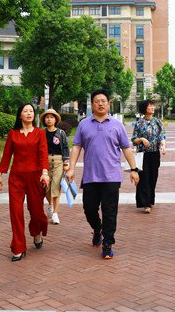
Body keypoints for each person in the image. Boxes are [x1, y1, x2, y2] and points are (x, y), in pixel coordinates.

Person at [66, 89, 140, 260]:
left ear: (108, 104)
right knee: (89, 208)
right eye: (97, 101)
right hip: (91, 176)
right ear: (92, 105)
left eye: (103, 101)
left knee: (110, 211)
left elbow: (126, 148)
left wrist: (134, 169)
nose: (100, 103)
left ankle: (107, 243)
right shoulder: (84, 124)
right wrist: (71, 168)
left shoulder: (116, 125)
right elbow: (77, 147)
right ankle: (97, 228)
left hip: (111, 177)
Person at [0, 103, 49, 261]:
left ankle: (36, 232)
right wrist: (0, 174)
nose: (29, 113)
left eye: (31, 111)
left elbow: (43, 154)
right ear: (20, 115)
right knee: (16, 212)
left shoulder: (40, 133)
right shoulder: (13, 134)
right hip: (17, 177)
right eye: (25, 111)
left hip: (36, 176)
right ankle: (18, 247)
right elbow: (6, 155)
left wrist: (45, 173)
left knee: (37, 212)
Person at [132, 99, 166, 214]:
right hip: (142, 154)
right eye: (149, 106)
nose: (152, 107)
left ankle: (150, 201)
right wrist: (141, 139)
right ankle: (145, 203)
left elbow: (162, 136)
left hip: (155, 154)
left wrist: (163, 146)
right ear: (144, 109)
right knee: (144, 179)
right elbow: (133, 140)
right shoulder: (139, 123)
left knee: (153, 178)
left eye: (153, 105)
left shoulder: (158, 122)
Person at [40, 108, 69, 225]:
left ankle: (55, 214)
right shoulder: (41, 133)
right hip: (45, 162)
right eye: (47, 117)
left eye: (52, 117)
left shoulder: (61, 133)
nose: (49, 119)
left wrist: (66, 163)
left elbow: (66, 148)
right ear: (44, 120)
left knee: (56, 187)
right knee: (46, 188)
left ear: (56, 119)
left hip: (58, 162)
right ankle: (50, 205)